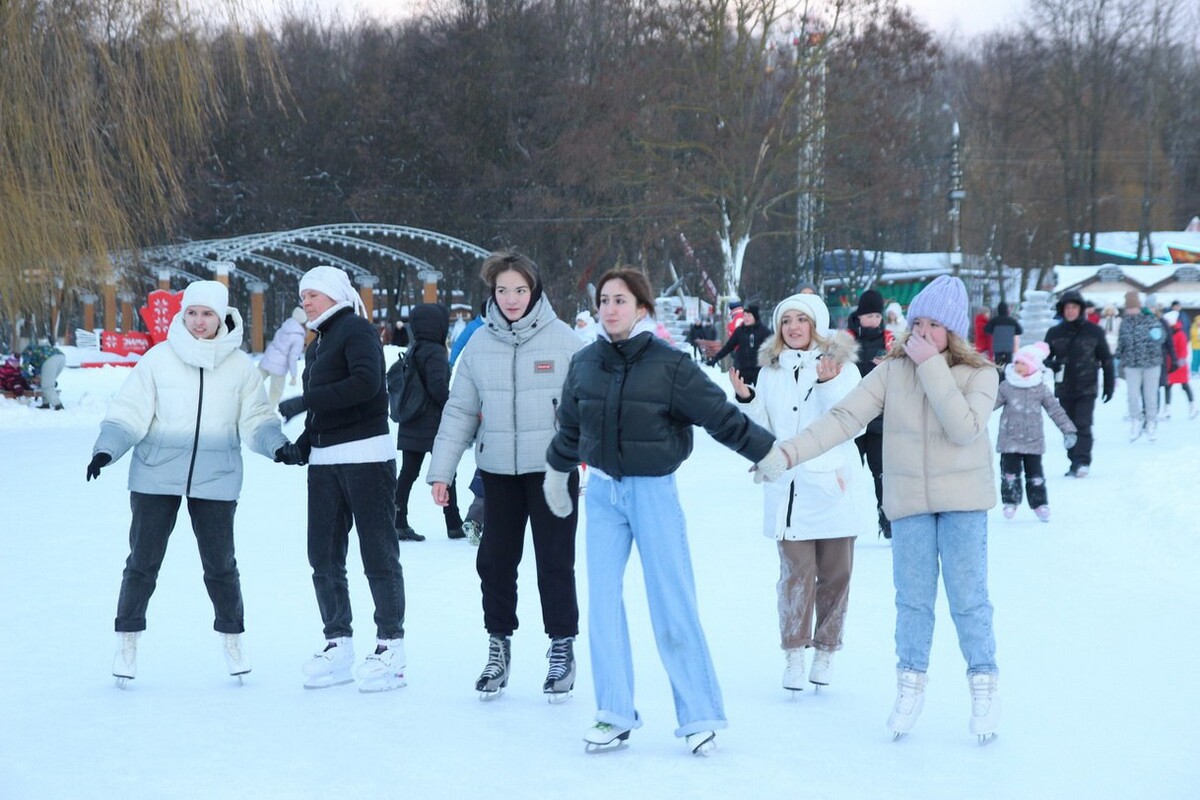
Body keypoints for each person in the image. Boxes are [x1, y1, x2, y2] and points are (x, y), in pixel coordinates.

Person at [544, 267, 780, 756]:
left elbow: (719, 415)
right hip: (605, 495)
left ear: (642, 309)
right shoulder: (585, 362)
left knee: (672, 602)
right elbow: (571, 428)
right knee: (603, 605)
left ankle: (698, 715)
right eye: (605, 300)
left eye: (621, 300)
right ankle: (613, 712)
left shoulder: (669, 364)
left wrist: (766, 452)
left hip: (653, 491)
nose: (610, 308)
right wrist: (555, 471)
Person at [756, 275, 1002, 744]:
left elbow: (965, 428)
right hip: (908, 503)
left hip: (964, 504)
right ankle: (910, 686)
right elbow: (842, 418)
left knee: (968, 600)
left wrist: (931, 367)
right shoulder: (891, 371)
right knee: (912, 602)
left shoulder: (980, 373)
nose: (923, 333)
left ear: (954, 331)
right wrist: (788, 453)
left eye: (935, 325)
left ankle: (983, 686)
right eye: (918, 323)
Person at [87, 280, 289, 685]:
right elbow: (130, 411)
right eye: (192, 313)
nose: (199, 322)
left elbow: (256, 419)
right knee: (142, 564)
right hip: (155, 475)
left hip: (217, 479)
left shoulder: (239, 368)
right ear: (183, 315)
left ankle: (233, 640)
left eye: (208, 314)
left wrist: (277, 445)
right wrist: (106, 448)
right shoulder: (159, 359)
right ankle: (127, 641)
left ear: (222, 317)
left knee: (221, 566)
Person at [426, 250, 583, 700]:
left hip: (553, 474)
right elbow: (459, 411)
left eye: (519, 289)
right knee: (494, 563)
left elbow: (586, 407)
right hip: (497, 472)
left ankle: (561, 648)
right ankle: (498, 647)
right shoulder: (478, 344)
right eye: (502, 290)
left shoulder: (566, 342)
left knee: (555, 563)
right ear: (491, 294)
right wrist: (442, 471)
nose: (511, 299)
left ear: (535, 292)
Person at [729, 291, 875, 693]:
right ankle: (794, 653)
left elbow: (855, 424)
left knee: (835, 576)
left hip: (834, 488)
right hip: (788, 490)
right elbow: (767, 427)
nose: (793, 327)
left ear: (816, 325)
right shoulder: (772, 369)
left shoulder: (842, 367)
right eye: (787, 320)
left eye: (802, 320)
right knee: (794, 576)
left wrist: (827, 384)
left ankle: (825, 650)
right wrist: (748, 400)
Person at [276, 265, 408, 693]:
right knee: (324, 554)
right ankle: (338, 643)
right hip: (326, 463)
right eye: (303, 296)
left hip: (367, 459)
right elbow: (324, 410)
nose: (306, 301)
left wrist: (304, 400)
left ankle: (391, 648)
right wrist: (303, 443)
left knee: (377, 555)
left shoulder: (356, 330)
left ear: (334, 294)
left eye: (312, 294)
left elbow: (366, 385)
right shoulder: (320, 342)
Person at [392, 303, 466, 541]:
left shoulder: (415, 348)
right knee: (447, 472)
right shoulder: (435, 351)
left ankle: (397, 520)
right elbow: (437, 387)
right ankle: (453, 523)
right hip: (432, 423)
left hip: (412, 421)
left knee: (408, 473)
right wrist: (453, 406)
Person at [993, 343, 1077, 522]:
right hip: (1010, 440)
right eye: (1016, 363)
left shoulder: (1039, 388)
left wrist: (1068, 430)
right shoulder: (1007, 387)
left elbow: (1055, 410)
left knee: (1035, 476)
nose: (1018, 367)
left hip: (1033, 441)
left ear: (1032, 367)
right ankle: (1010, 502)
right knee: (1009, 474)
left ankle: (1039, 504)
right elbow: (989, 403)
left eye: (1023, 364)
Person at [1043, 290, 1114, 477]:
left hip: (1087, 386)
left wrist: (1109, 385)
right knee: (1068, 426)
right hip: (1064, 387)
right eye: (1067, 307)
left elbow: (1106, 359)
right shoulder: (1054, 332)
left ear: (1081, 309)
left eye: (1074, 307)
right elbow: (1042, 357)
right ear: (1062, 310)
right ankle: (1073, 461)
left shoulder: (1094, 331)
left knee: (1082, 424)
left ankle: (1082, 461)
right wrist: (1052, 363)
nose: (1071, 311)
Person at [846, 288, 893, 538]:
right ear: (860, 316)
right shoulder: (846, 340)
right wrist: (867, 366)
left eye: (877, 315)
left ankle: (887, 520)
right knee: (850, 472)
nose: (874, 320)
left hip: (880, 419)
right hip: (853, 418)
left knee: (882, 472)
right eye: (869, 316)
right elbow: (840, 371)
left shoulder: (890, 341)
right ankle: (846, 522)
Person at [1114, 291, 1165, 442]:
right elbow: (1121, 342)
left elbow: (1161, 337)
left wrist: (1157, 337)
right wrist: (1119, 358)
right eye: (1128, 308)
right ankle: (1136, 420)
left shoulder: (1150, 320)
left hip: (1151, 363)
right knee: (1132, 395)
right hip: (1132, 364)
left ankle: (1151, 422)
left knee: (1150, 395)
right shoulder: (1125, 323)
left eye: (1133, 307)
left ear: (1139, 306)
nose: (1130, 311)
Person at [706, 304, 771, 386]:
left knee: (759, 395)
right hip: (743, 369)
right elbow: (728, 346)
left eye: (749, 316)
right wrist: (716, 358)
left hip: (758, 370)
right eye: (744, 315)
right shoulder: (740, 331)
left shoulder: (763, 331)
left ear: (755, 317)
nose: (746, 318)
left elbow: (772, 347)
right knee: (744, 396)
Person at [258, 306, 307, 406]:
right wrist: (294, 375)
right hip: (279, 369)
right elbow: (292, 358)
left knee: (252, 383)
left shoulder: (284, 327)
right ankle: (267, 415)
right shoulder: (298, 337)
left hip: (267, 360)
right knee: (275, 395)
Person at [1160, 310, 1195, 419]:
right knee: (1168, 386)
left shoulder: (1180, 334)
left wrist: (1180, 361)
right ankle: (1167, 409)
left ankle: (1192, 406)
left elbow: (1183, 349)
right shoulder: (1168, 332)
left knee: (1184, 385)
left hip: (1179, 365)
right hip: (1170, 365)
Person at [20, 338, 66, 410]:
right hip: (61, 357)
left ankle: (58, 405)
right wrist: (37, 377)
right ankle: (46, 403)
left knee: (47, 385)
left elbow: (24, 368)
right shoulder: (35, 349)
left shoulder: (27, 351)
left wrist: (29, 378)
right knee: (45, 382)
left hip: (49, 359)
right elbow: (39, 368)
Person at [984, 301, 1022, 367]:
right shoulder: (1012, 321)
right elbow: (1020, 331)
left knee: (998, 365)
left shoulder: (994, 320)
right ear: (1007, 310)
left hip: (997, 346)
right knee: (1008, 365)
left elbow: (986, 330)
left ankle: (999, 376)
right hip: (1009, 346)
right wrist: (1011, 332)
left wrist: (994, 332)